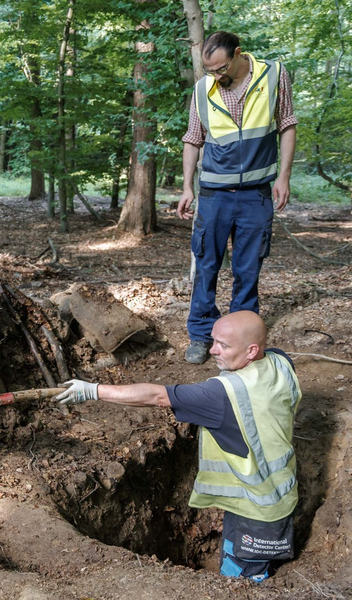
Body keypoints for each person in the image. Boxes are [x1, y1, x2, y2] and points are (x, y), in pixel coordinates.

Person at [56, 311, 302, 581]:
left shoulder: (222, 394)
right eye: (213, 341)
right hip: (274, 493)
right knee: (237, 556)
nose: (213, 350)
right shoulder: (280, 362)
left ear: (252, 350)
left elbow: (157, 396)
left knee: (243, 578)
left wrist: (92, 390)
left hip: (259, 511)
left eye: (224, 345)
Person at [178, 31, 298, 364]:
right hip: (214, 196)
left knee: (248, 269)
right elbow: (192, 138)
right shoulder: (203, 89)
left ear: (237, 55)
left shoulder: (273, 74)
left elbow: (287, 124)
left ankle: (241, 340)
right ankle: (202, 335)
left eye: (220, 69)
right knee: (207, 266)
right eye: (209, 70)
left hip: (257, 195)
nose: (215, 76)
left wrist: (284, 177)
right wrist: (188, 186)